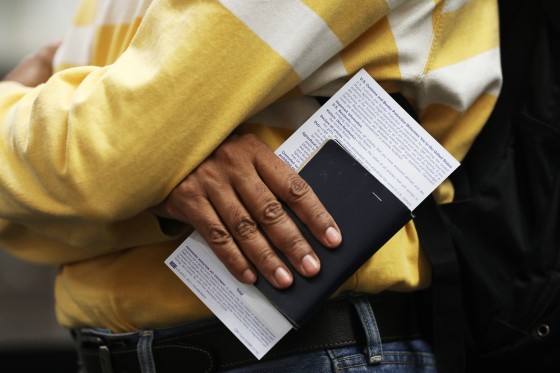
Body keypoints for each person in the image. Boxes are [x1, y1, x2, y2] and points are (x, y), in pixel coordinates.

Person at [0, 0, 502, 371]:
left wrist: (17, 112)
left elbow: (103, 158)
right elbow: (47, 200)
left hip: (307, 353)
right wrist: (151, 182)